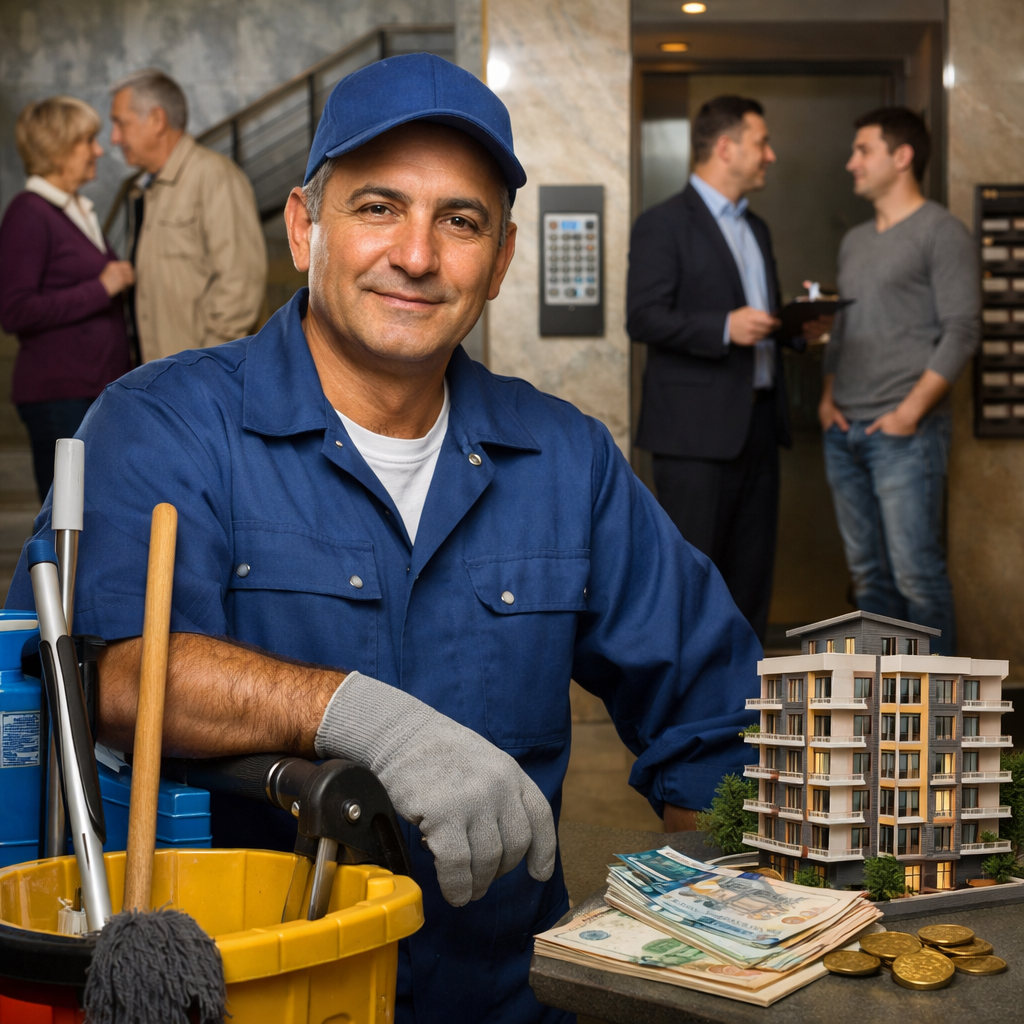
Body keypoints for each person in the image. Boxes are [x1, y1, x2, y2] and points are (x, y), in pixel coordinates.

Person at [8, 55, 759, 1023]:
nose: (416, 253)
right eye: (377, 207)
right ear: (302, 226)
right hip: (248, 1001)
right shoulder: (162, 422)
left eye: (460, 220)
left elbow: (713, 718)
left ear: (499, 258)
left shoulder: (565, 460)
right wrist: (356, 716)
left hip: (504, 1004)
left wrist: (695, 950)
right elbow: (110, 675)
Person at [628, 96, 807, 645]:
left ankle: (746, 710)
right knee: (692, 579)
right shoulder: (662, 223)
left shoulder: (759, 229)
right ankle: (690, 718)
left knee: (752, 581)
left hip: (758, 428)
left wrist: (797, 328)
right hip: (694, 436)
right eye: (761, 143)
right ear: (725, 148)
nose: (770, 156)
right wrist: (725, 327)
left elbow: (762, 316)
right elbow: (644, 317)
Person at [818, 107, 979, 655]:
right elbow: (844, 330)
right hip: (844, 433)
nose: (851, 163)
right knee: (870, 584)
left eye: (863, 150)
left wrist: (910, 413)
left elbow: (962, 331)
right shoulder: (856, 240)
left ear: (902, 156)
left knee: (917, 580)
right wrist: (826, 397)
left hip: (905, 436)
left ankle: (939, 729)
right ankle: (888, 724)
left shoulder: (941, 231)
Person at [0, 96, 134, 501]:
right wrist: (102, 287)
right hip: (59, 396)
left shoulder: (76, 209)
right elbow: (15, 310)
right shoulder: (28, 213)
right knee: (66, 521)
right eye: (87, 140)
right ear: (57, 149)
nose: (99, 149)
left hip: (90, 391)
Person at [108, 69, 267, 362]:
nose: (114, 138)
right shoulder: (141, 189)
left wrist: (204, 367)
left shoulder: (215, 176)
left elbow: (240, 286)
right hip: (156, 376)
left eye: (121, 123)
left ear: (156, 120)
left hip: (196, 380)